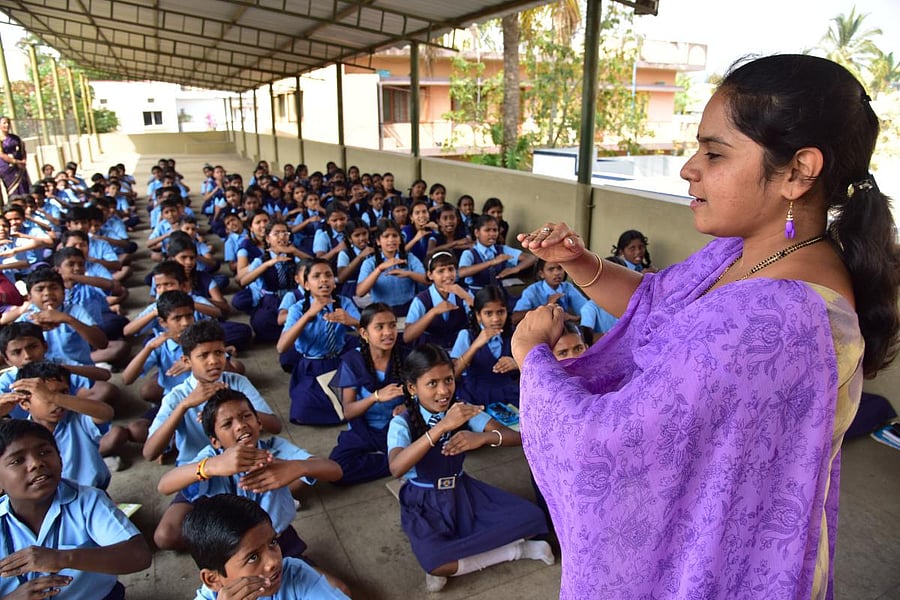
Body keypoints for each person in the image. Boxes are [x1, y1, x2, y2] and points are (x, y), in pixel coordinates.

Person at [513, 54, 900, 600]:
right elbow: (656, 302)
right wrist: (579, 262)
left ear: (797, 172)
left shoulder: (771, 323)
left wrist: (532, 357)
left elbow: (605, 445)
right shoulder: (744, 254)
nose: (689, 168)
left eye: (714, 152)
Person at [387, 344, 553, 593]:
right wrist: (441, 427)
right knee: (435, 562)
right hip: (423, 499)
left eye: (448, 380)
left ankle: (465, 559)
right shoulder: (402, 423)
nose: (443, 391)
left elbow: (514, 436)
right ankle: (516, 551)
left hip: (462, 491)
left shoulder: (462, 411)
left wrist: (484, 438)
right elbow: (397, 467)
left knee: (534, 518)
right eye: (432, 383)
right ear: (412, 388)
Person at [154, 389, 341, 552]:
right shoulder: (212, 456)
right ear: (215, 441)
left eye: (246, 416)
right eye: (227, 424)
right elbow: (164, 486)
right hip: (228, 545)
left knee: (338, 590)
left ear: (259, 423)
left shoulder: (274, 449)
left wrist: (297, 467)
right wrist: (211, 466)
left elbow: (335, 471)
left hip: (275, 540)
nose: (240, 425)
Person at [0, 419, 151, 600]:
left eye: (44, 452)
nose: (36, 463)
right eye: (17, 460)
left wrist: (62, 558)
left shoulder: (87, 501)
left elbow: (139, 555)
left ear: (60, 459)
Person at [183, 494, 350, 600]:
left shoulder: (294, 574)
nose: (274, 561)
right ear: (213, 579)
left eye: (272, 542)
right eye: (253, 557)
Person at [328, 303, 406, 485]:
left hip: (398, 425)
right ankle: (395, 462)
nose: (388, 332)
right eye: (379, 327)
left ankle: (400, 459)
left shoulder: (406, 357)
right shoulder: (353, 361)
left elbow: (421, 394)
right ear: (364, 334)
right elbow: (348, 411)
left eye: (392, 325)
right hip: (364, 427)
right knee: (338, 468)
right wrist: (375, 397)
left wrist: (407, 406)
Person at [277, 259, 360, 425]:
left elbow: (368, 333)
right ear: (306, 285)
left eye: (328, 275)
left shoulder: (344, 303)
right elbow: (281, 347)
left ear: (334, 282)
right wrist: (308, 315)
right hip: (312, 366)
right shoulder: (298, 309)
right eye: (316, 276)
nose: (323, 280)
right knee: (303, 407)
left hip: (339, 362)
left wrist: (353, 322)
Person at [451, 286, 519, 407]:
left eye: (500, 312)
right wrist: (475, 346)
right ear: (478, 315)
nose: (496, 319)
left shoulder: (515, 335)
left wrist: (517, 364)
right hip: (475, 394)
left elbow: (531, 367)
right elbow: (453, 374)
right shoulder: (466, 336)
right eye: (488, 313)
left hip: (508, 394)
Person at [0, 116, 31, 199]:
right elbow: (1, 154)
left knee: (24, 186)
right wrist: (16, 162)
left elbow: (23, 150)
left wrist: (23, 161)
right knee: (13, 190)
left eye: (8, 123)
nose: (7, 125)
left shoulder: (15, 138)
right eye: (4, 123)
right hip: (7, 168)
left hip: (20, 167)